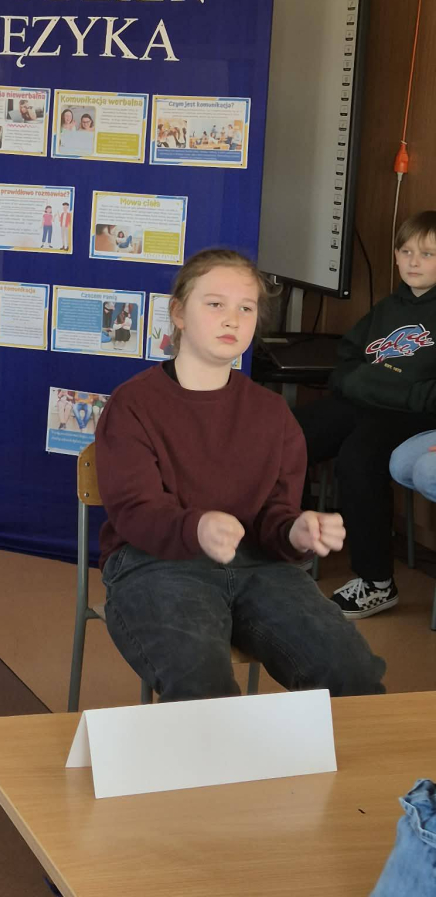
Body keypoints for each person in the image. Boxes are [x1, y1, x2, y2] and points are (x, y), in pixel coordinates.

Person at [95, 247, 385, 702]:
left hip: (261, 567)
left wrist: (296, 531)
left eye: (246, 308)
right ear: (179, 314)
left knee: (352, 674)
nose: (232, 319)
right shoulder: (133, 405)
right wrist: (197, 527)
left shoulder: (272, 413)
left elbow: (276, 514)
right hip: (155, 563)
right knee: (204, 688)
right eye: (215, 304)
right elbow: (135, 511)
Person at [295, 211, 436, 619]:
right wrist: (362, 383)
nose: (413, 261)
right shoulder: (387, 308)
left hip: (412, 415)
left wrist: (390, 389)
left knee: (358, 459)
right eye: (405, 251)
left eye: (427, 254)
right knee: (289, 435)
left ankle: (377, 583)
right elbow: (347, 362)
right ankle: (296, 544)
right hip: (365, 402)